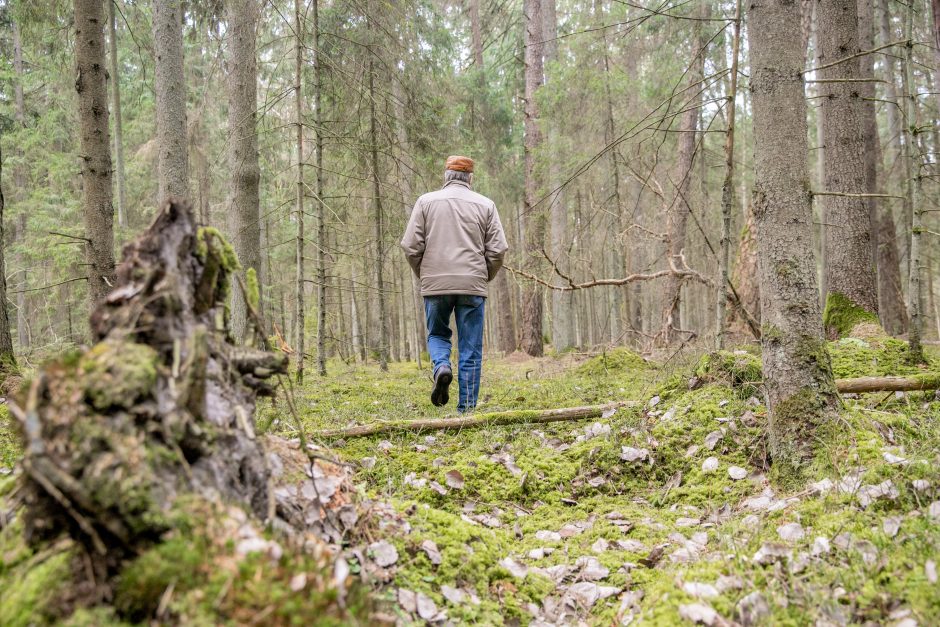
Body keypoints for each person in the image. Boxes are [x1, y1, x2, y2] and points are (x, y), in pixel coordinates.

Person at [401, 156, 509, 413]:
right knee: (470, 347)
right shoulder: (486, 205)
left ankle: (441, 367)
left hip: (435, 284)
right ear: (470, 178)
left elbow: (410, 245)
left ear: (446, 176)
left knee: (438, 334)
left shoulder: (425, 202)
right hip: (472, 285)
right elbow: (498, 249)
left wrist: (425, 275)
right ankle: (467, 410)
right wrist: (484, 277)